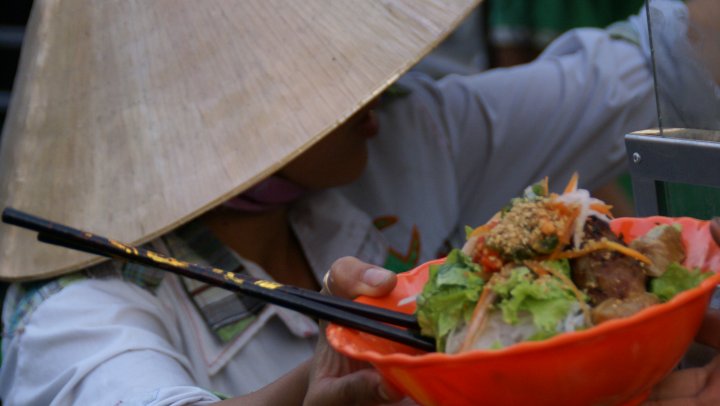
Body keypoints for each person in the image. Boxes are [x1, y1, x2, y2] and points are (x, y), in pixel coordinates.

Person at [0, 0, 717, 405]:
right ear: (215, 122)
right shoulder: (76, 311)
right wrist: (314, 392)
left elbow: (644, 71)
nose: (372, 98)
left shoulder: (398, 136)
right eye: (322, 90)